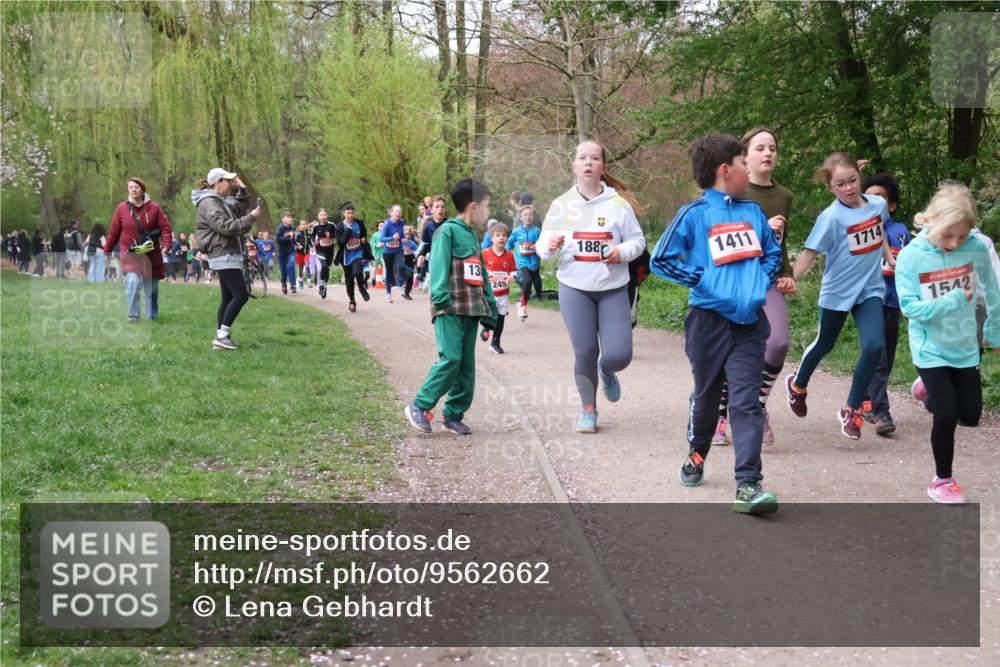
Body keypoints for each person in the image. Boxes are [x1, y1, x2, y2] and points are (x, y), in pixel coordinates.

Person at [650, 133, 782, 515]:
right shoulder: (694, 214)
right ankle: (696, 452)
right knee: (707, 398)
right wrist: (704, 279)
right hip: (708, 322)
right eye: (743, 162)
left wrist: (760, 279)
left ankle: (749, 484)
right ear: (726, 170)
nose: (748, 168)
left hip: (749, 325)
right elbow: (662, 259)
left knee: (746, 402)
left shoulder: (753, 213)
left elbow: (772, 253)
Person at [895, 183, 999, 504]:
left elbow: (992, 292)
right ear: (929, 221)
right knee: (946, 413)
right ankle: (942, 480)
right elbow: (910, 309)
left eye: (962, 236)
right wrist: (953, 300)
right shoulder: (911, 258)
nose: (955, 244)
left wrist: (993, 334)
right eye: (947, 236)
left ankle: (928, 392)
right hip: (930, 348)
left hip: (965, 344)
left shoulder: (976, 248)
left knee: (969, 414)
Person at [536, 139, 647, 434]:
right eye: (582, 158)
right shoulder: (560, 205)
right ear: (574, 166)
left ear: (603, 167)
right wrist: (550, 245)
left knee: (620, 354)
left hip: (612, 288)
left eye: (594, 158)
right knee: (584, 351)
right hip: (575, 287)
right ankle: (588, 410)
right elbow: (541, 249)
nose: (588, 162)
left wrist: (620, 252)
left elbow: (638, 241)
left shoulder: (618, 205)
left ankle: (607, 368)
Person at [785, 153, 897, 439]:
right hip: (838, 292)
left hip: (870, 290)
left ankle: (852, 408)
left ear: (859, 178)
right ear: (830, 188)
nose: (848, 188)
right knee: (825, 344)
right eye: (840, 184)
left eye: (852, 181)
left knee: (874, 346)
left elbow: (880, 231)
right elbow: (809, 255)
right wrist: (789, 279)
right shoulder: (831, 217)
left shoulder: (878, 204)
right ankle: (797, 384)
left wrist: (889, 258)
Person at [713, 128, 796, 447]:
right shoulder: (732, 193)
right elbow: (721, 235)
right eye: (760, 148)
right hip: (734, 281)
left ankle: (756, 408)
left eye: (772, 148)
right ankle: (720, 414)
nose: (768, 153)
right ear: (744, 157)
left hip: (768, 281)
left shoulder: (784, 196)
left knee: (777, 343)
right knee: (728, 349)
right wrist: (759, 227)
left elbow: (780, 242)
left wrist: (786, 272)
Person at [405, 178, 498, 436]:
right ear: (473, 206)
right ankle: (419, 405)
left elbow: (482, 276)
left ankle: (453, 415)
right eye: (487, 206)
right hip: (449, 308)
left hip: (471, 310)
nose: (488, 212)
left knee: (466, 367)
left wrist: (490, 312)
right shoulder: (447, 231)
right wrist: (442, 300)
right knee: (451, 359)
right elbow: (438, 268)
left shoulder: (472, 236)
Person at [859, 172, 911, 436]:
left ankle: (862, 399)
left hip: (894, 302)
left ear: (891, 205)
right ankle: (882, 412)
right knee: (878, 357)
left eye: (880, 198)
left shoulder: (901, 232)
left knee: (886, 359)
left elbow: (910, 267)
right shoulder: (860, 230)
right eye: (869, 198)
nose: (875, 202)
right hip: (869, 300)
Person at [192, 168, 261, 349]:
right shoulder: (209, 203)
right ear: (218, 182)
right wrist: (252, 217)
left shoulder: (217, 202)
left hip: (224, 252)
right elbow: (228, 227)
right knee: (241, 295)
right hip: (223, 253)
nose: (231, 185)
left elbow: (237, 209)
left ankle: (220, 337)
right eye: (228, 181)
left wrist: (243, 190)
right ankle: (222, 336)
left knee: (227, 297)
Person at [105, 177, 173, 321]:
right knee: (132, 282)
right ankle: (133, 315)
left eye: (136, 187)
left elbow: (165, 227)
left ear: (142, 189)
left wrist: (167, 245)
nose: (134, 190)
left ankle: (151, 316)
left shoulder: (154, 208)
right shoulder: (121, 208)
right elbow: (114, 231)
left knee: (152, 289)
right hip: (131, 253)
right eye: (131, 187)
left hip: (151, 254)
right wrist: (108, 250)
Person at [482, 222, 517, 354]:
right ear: (492, 238)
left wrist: (512, 276)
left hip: (503, 293)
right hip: (488, 293)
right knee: (488, 313)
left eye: (504, 235)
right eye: (498, 235)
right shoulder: (484, 254)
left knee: (501, 317)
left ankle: (495, 343)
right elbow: (479, 270)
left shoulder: (509, 256)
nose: (501, 238)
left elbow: (514, 270)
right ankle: (485, 327)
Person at [506, 205, 543, 321]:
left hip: (535, 260)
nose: (528, 217)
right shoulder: (516, 232)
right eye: (525, 215)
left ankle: (539, 296)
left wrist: (538, 247)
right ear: (521, 218)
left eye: (530, 215)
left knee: (537, 279)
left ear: (533, 217)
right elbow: (509, 244)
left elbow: (542, 243)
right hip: (522, 262)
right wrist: (504, 252)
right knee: (527, 280)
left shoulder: (536, 231)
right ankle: (523, 303)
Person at [334, 202, 372, 311]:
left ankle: (361, 287)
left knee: (357, 271)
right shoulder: (340, 227)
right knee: (349, 280)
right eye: (348, 213)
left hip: (357, 253)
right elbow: (340, 242)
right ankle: (352, 300)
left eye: (352, 213)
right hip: (346, 256)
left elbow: (364, 233)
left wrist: (363, 238)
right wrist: (348, 231)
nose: (350, 215)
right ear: (344, 213)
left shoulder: (359, 223)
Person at [417, 196, 446, 291]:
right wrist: (421, 255)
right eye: (437, 207)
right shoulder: (428, 227)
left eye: (442, 207)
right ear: (431, 210)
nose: (440, 209)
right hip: (435, 260)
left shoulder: (450, 225)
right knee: (436, 289)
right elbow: (426, 244)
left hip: (448, 260)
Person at [379, 204, 407, 302]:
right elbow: (381, 238)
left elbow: (401, 234)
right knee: (389, 272)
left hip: (398, 249)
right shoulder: (387, 224)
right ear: (391, 213)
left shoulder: (402, 222)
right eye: (396, 211)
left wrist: (403, 238)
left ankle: (399, 285)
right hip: (388, 251)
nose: (398, 213)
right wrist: (392, 238)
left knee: (402, 266)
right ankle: (388, 293)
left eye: (400, 212)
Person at [311, 209, 338, 299]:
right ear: (318, 217)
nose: (323, 216)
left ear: (327, 216)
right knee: (324, 266)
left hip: (329, 250)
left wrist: (330, 236)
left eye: (324, 215)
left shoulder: (331, 225)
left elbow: (337, 235)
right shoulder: (315, 227)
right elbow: (312, 236)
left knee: (327, 269)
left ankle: (325, 287)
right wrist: (315, 241)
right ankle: (321, 285)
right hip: (320, 250)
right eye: (321, 215)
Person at [275, 212, 298, 295]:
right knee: (283, 271)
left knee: (290, 266)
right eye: (288, 217)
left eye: (291, 217)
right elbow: (278, 239)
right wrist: (287, 237)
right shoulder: (280, 228)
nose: (290, 219)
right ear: (283, 219)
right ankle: (284, 283)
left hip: (291, 251)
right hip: (282, 253)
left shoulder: (292, 228)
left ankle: (293, 285)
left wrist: (296, 244)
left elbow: (293, 239)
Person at [399, 225, 419, 300]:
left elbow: (417, 252)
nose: (407, 236)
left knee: (410, 277)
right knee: (407, 275)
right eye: (405, 234)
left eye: (409, 234)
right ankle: (401, 286)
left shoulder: (412, 244)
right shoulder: (400, 242)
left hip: (410, 260)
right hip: (402, 259)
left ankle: (407, 293)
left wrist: (416, 258)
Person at [294, 219, 309, 290]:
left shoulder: (308, 233)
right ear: (299, 226)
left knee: (307, 265)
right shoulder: (298, 233)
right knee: (301, 268)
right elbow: (293, 241)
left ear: (306, 225)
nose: (303, 226)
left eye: (304, 224)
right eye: (302, 224)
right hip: (299, 253)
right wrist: (298, 245)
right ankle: (300, 280)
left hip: (307, 253)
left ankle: (308, 280)